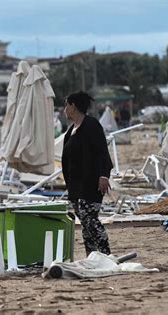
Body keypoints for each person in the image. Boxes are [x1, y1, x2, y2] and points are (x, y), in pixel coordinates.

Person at [62, 91, 113, 256]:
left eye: (66, 105)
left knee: (90, 219)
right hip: (75, 186)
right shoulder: (70, 131)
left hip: (91, 183)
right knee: (84, 222)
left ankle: (105, 253)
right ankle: (91, 256)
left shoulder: (91, 125)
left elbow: (102, 152)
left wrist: (104, 175)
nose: (64, 110)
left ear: (73, 106)